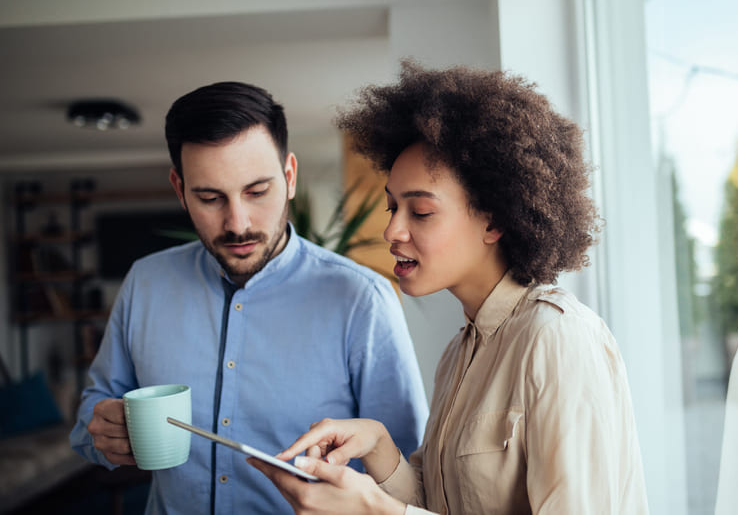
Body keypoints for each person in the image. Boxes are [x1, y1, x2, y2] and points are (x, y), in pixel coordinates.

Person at [248, 62, 650, 514]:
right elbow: (441, 506)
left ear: (493, 220)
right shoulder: (458, 354)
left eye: (420, 212)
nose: (392, 231)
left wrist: (375, 510)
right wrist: (378, 445)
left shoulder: (557, 337)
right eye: (392, 208)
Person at [70, 81, 429, 515]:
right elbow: (91, 415)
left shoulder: (361, 299)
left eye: (257, 192)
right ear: (179, 189)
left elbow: (407, 472)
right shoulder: (145, 283)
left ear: (290, 177)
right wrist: (101, 431)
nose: (237, 223)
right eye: (210, 198)